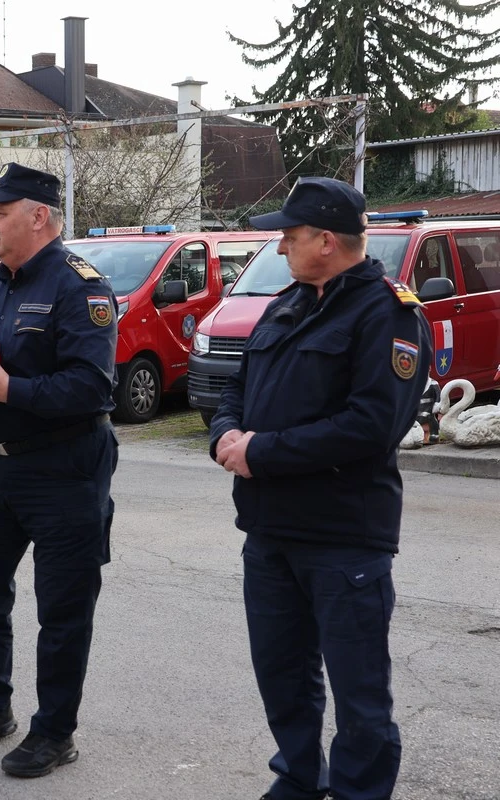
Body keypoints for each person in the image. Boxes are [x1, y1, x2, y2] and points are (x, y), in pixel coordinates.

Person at [210, 177, 433, 800]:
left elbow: (372, 426)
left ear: (327, 241)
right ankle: (299, 780)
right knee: (282, 675)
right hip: (269, 531)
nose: (281, 247)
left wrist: (260, 452)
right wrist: (226, 434)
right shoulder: (287, 303)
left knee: (360, 695)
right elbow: (237, 387)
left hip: (343, 537)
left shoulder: (387, 312)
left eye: (289, 236)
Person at [0, 163, 119, 778]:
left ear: (39, 216)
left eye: (0, 212)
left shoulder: (80, 288)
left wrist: (8, 390)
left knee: (62, 608)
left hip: (64, 469)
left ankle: (54, 732)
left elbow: (93, 387)